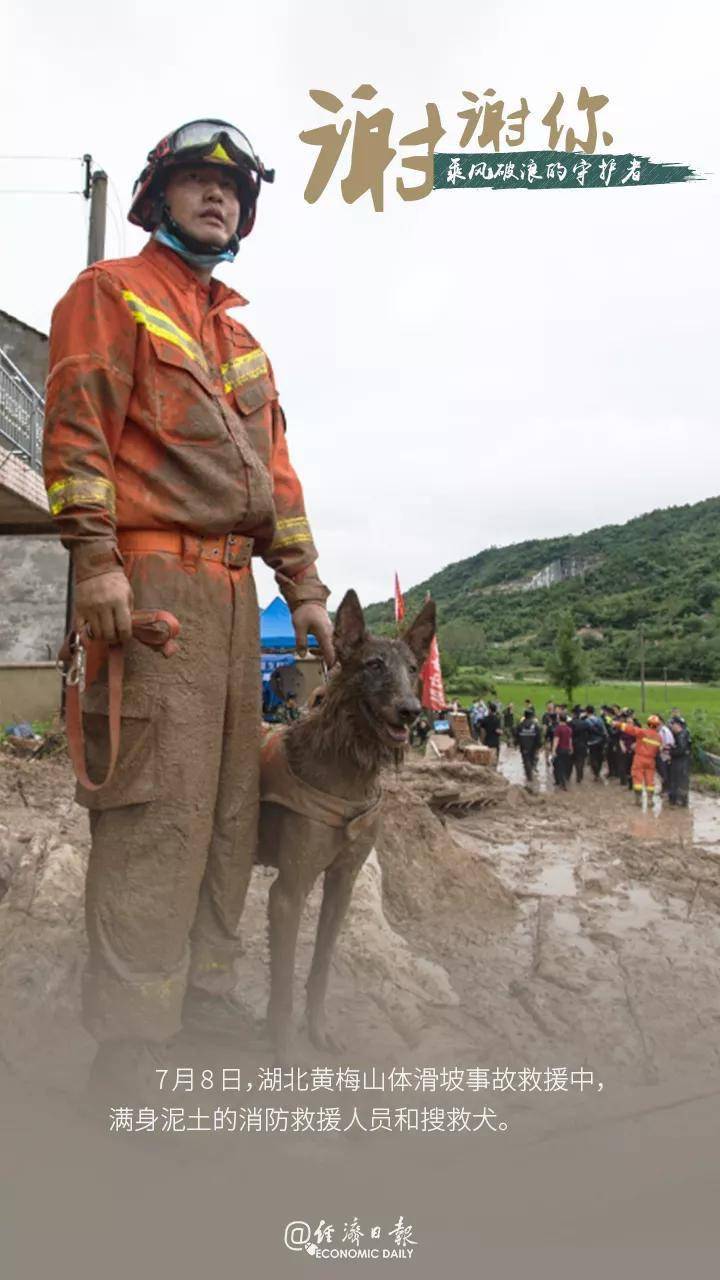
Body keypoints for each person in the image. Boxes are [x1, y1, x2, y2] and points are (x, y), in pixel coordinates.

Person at [43, 120, 335, 1091]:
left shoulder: (246, 345)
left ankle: (204, 1003)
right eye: (199, 181)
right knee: (152, 817)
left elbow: (280, 486)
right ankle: (130, 1052)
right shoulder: (110, 294)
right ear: (157, 194)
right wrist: (95, 560)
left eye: (234, 188)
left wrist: (308, 591)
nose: (219, 198)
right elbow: (78, 427)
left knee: (224, 813)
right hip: (153, 586)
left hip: (238, 601)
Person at [612, 714, 662, 805]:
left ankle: (638, 800)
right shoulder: (659, 737)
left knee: (637, 778)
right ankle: (650, 800)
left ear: (648, 724)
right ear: (657, 725)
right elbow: (659, 750)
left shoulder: (643, 732)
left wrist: (617, 724)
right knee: (650, 780)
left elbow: (630, 729)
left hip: (640, 758)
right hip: (651, 761)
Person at [668, 715, 692, 806]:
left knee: (678, 781)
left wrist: (670, 752)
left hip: (681, 763)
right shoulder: (682, 734)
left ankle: (678, 801)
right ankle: (679, 801)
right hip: (682, 762)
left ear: (677, 725)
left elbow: (681, 750)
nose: (671, 726)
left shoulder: (682, 735)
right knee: (679, 781)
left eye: (672, 724)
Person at [515, 707, 542, 783]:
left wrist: (516, 743)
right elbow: (538, 736)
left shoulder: (520, 725)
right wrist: (539, 745)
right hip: (533, 745)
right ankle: (530, 775)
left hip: (524, 745)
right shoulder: (535, 725)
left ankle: (529, 776)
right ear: (531, 716)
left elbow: (516, 734)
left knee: (526, 760)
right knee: (531, 759)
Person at [550, 711, 573, 789]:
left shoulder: (558, 729)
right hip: (566, 750)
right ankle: (561, 781)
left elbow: (556, 740)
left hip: (560, 750)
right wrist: (571, 748)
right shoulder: (569, 729)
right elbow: (570, 740)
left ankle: (561, 783)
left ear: (559, 719)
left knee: (558, 766)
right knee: (563, 765)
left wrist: (553, 751)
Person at [585, 704, 608, 780]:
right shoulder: (599, 719)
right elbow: (604, 730)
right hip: (600, 741)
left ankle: (596, 772)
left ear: (587, 712)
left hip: (591, 742)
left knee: (593, 757)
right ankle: (598, 770)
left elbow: (586, 733)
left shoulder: (586, 721)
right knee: (599, 756)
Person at [569, 704, 590, 783]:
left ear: (573, 714)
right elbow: (588, 734)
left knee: (571, 761)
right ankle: (579, 777)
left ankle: (568, 777)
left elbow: (569, 735)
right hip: (583, 744)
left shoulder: (570, 723)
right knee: (580, 761)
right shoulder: (585, 723)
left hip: (573, 744)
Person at [478, 700, 502, 766]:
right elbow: (499, 731)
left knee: (487, 760)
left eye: (488, 709)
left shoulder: (485, 719)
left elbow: (482, 731)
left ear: (490, 710)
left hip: (487, 742)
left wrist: (482, 741)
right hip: (495, 743)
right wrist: (500, 732)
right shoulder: (497, 719)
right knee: (495, 760)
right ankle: (494, 772)